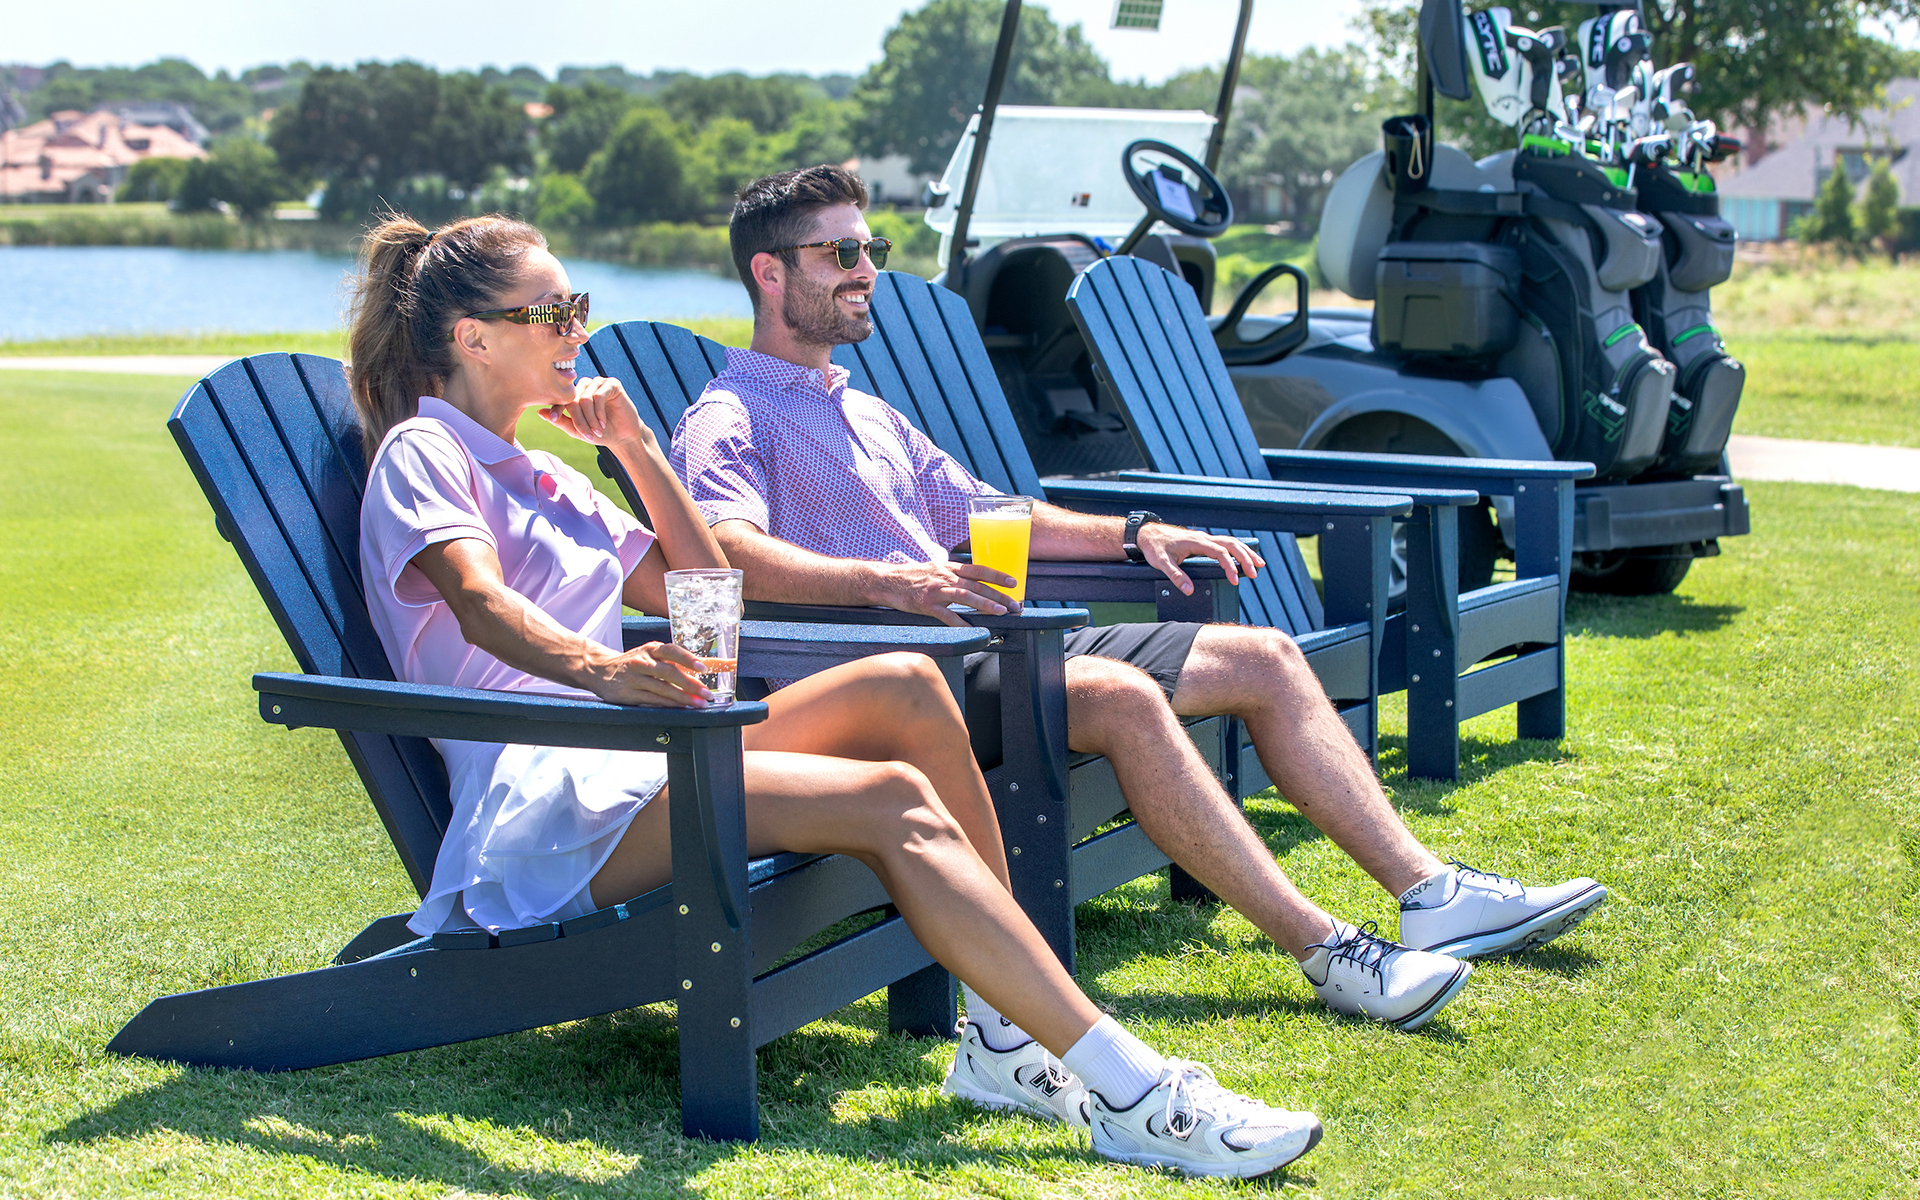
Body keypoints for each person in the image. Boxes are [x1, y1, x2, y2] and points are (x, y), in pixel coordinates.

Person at [347, 212, 1324, 1179]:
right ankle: (1133, 1092)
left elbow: (708, 608)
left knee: (908, 686)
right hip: (543, 803)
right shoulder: (425, 454)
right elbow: (478, 604)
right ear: (474, 337)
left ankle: (1003, 1037)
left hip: (637, 757)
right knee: (890, 798)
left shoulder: (544, 478)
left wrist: (639, 451)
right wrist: (604, 671)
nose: (577, 330)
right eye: (551, 312)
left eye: (580, 305)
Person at [670, 166, 1610, 1034]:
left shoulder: (865, 409)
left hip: (998, 650)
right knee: (1122, 697)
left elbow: (994, 511)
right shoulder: (729, 416)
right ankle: (1330, 952)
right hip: (888, 683)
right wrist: (889, 580)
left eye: (871, 248)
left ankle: (1431, 895)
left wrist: (1133, 533)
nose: (867, 269)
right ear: (769, 273)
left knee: (1265, 657)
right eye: (841, 252)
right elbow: (724, 552)